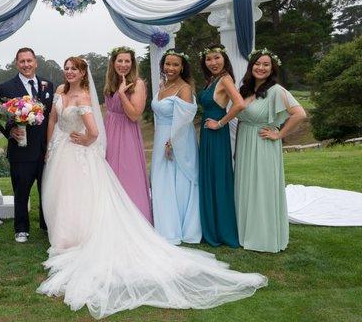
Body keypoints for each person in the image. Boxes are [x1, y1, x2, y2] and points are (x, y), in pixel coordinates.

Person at [37, 57, 267, 319]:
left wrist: (87, 137)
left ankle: (85, 236)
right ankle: (65, 234)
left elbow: (113, 123)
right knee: (65, 195)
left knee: (89, 193)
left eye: (73, 68)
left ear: (82, 73)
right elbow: (54, 120)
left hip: (110, 144)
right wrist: (52, 146)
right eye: (66, 68)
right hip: (68, 149)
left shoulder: (113, 91)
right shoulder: (69, 91)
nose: (68, 72)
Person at [235, 49, 306, 252]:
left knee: (262, 188)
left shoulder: (276, 90)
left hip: (263, 144)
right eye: (258, 63)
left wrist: (279, 134)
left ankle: (264, 237)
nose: (261, 67)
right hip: (245, 144)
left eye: (266, 64)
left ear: (272, 68)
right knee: (247, 187)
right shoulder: (245, 90)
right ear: (251, 66)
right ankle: (245, 231)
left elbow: (299, 114)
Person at [0, 47, 53, 242]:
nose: (26, 65)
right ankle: (21, 228)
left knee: (47, 189)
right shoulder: (6, 88)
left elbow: (52, 116)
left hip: (45, 150)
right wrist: (9, 130)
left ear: (35, 62)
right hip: (21, 149)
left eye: (29, 61)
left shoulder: (47, 85)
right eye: (22, 61)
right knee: (21, 191)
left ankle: (47, 225)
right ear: (16, 63)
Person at [150, 49, 201, 244]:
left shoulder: (184, 88)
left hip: (177, 138)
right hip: (160, 136)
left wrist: (172, 141)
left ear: (182, 68)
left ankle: (176, 228)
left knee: (176, 181)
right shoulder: (163, 86)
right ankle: (164, 224)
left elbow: (185, 119)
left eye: (175, 65)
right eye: (167, 64)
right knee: (161, 179)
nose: (170, 68)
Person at [198, 45, 244, 248]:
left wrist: (220, 123)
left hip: (216, 133)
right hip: (207, 133)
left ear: (224, 59)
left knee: (218, 178)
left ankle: (223, 230)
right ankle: (212, 226)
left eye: (216, 58)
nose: (213, 62)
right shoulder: (212, 81)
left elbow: (239, 104)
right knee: (210, 177)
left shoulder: (225, 79)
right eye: (208, 59)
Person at [102, 46, 152, 223]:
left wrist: (123, 95)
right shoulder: (110, 83)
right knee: (110, 177)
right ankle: (112, 221)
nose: (123, 65)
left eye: (127, 61)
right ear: (113, 63)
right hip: (110, 134)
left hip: (127, 135)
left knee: (127, 176)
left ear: (132, 63)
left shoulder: (137, 84)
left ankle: (133, 221)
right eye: (120, 61)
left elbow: (134, 115)